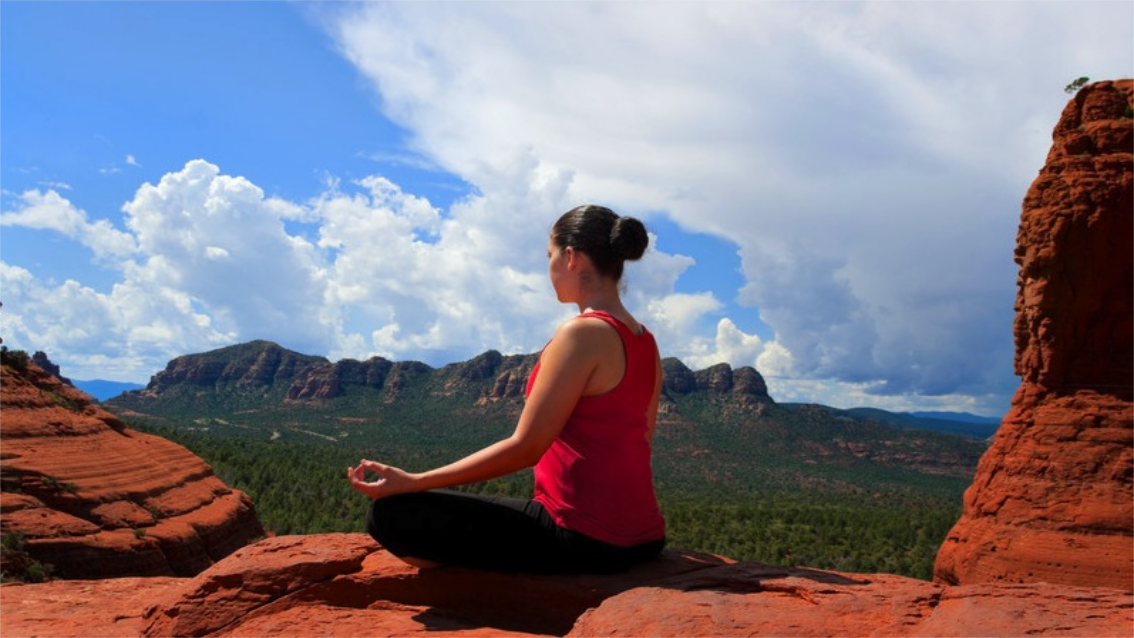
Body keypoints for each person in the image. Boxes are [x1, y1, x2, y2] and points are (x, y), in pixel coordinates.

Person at [347, 204, 666, 574]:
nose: (548, 269)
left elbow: (525, 448)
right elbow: (642, 437)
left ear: (572, 257)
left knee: (390, 514)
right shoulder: (645, 339)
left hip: (582, 537)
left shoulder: (582, 333)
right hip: (645, 539)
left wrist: (416, 481)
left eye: (550, 256)